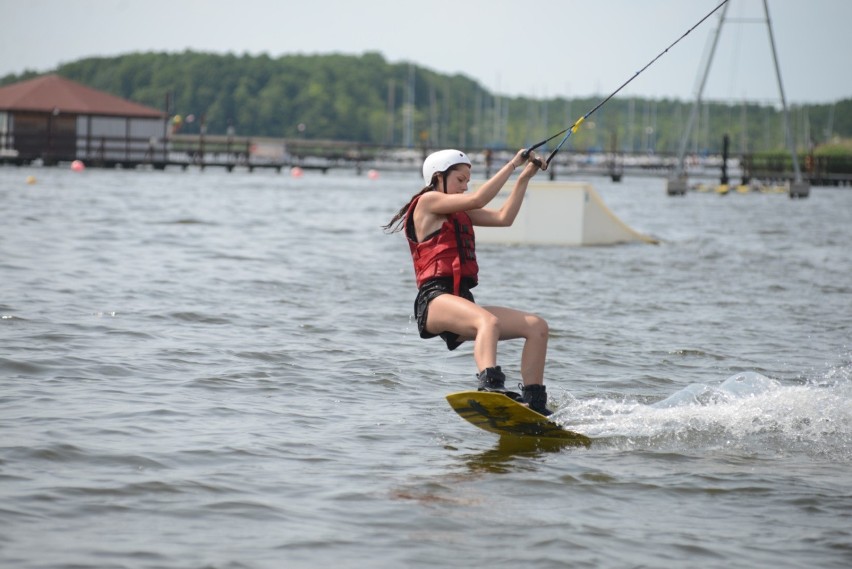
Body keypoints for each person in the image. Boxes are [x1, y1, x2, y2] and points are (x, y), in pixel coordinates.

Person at [383, 148, 553, 415]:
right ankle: (489, 387)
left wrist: (525, 176)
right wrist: (512, 164)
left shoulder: (460, 211)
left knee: (537, 327)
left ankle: (534, 401)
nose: (465, 186)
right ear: (438, 178)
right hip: (435, 300)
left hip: (461, 300)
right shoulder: (428, 202)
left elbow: (503, 218)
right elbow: (478, 198)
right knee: (488, 322)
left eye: (467, 181)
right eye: (460, 180)